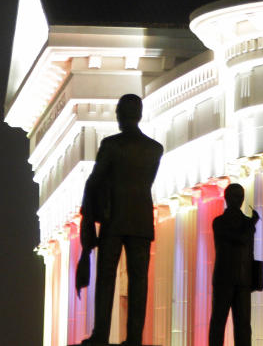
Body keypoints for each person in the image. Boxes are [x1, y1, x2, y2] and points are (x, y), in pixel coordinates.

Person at [80, 94, 163, 346]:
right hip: (140, 219)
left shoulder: (111, 145)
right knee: (139, 281)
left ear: (121, 114)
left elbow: (95, 181)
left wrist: (88, 216)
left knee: (106, 278)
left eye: (117, 112)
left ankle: (101, 335)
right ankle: (134, 338)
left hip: (114, 218)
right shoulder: (154, 149)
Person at [208, 183, 258, 346]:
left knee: (243, 325)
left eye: (241, 196)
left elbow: (249, 251)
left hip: (243, 279)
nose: (239, 199)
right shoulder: (220, 222)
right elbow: (240, 239)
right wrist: (251, 225)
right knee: (218, 322)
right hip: (224, 278)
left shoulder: (247, 223)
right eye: (236, 196)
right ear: (227, 198)